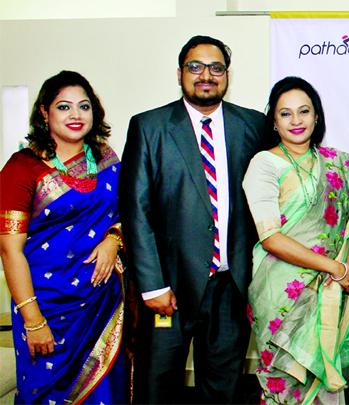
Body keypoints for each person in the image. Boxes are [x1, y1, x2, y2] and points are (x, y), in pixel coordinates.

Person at [118, 35, 266, 403]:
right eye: (195, 67)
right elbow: (136, 210)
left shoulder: (252, 126)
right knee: (158, 386)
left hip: (230, 286)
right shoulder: (149, 127)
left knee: (223, 388)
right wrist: (152, 287)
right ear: (180, 73)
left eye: (216, 68)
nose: (206, 75)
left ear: (227, 75)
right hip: (169, 288)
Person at [0, 70, 128, 404]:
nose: (75, 115)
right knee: (46, 389)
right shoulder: (22, 167)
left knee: (104, 388)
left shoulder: (106, 158)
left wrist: (113, 240)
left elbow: (129, 213)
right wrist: (32, 319)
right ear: (44, 112)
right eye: (64, 107)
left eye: (83, 106)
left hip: (100, 298)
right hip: (44, 303)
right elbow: (9, 249)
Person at [242, 76, 349, 405]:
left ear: (316, 116)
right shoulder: (263, 165)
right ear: (273, 120)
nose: (296, 121)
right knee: (285, 384)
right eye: (285, 113)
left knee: (326, 376)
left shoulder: (339, 162)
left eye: (304, 111)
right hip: (281, 292)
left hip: (331, 288)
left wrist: (348, 267)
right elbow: (270, 237)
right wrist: (335, 268)